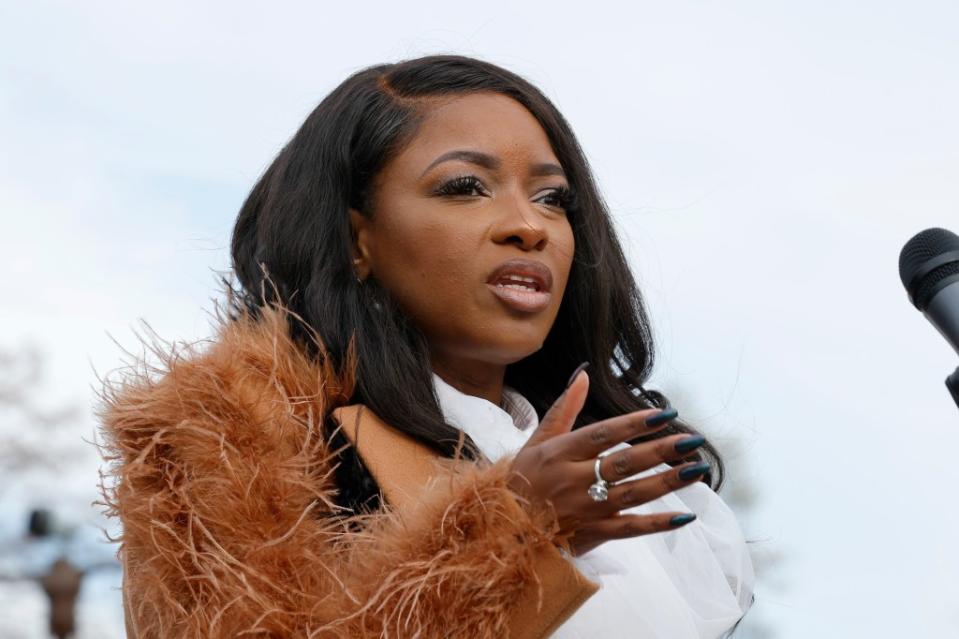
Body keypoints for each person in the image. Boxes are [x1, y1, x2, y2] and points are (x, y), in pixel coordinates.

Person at [98, 54, 754, 638]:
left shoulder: (659, 500)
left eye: (552, 197)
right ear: (357, 240)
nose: (529, 225)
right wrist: (506, 538)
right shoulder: (246, 455)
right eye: (464, 186)